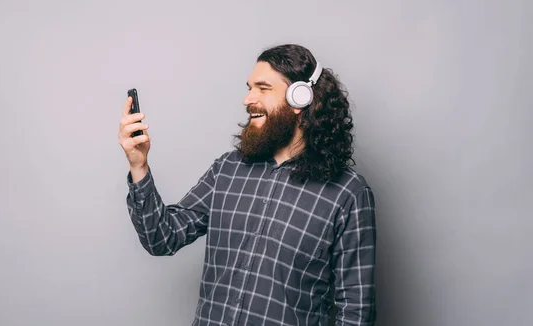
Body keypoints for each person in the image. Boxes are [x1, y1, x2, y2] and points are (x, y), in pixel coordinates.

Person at [118, 44, 377, 326]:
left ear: (299, 98)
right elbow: (162, 238)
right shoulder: (228, 169)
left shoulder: (348, 193)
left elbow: (355, 312)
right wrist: (138, 165)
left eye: (263, 88)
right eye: (249, 87)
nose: (247, 99)